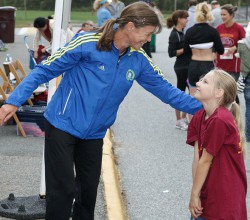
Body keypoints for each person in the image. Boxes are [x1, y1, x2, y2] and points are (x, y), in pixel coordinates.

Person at [0, 2, 202, 220]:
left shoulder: (139, 59)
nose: (148, 39)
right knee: (63, 192)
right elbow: (44, 70)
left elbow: (167, 91)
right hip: (62, 124)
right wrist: (14, 101)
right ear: (131, 26)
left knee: (87, 195)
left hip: (95, 133)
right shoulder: (88, 43)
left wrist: (206, 108)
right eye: (147, 34)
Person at [187, 69, 247, 220]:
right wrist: (197, 192)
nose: (197, 84)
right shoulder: (199, 116)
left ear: (219, 93)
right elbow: (197, 159)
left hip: (225, 196)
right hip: (207, 190)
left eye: (205, 81)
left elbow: (206, 160)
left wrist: (194, 194)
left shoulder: (220, 119)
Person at [184, 2, 224, 97]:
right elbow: (221, 50)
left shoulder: (189, 31)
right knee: (208, 96)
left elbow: (186, 52)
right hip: (207, 65)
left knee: (193, 95)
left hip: (193, 65)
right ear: (209, 13)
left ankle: (193, 112)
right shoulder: (213, 31)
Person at [215, 4, 246, 104]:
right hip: (220, 65)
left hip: (234, 65)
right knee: (222, 92)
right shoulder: (219, 28)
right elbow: (214, 44)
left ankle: (235, 114)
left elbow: (246, 44)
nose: (222, 17)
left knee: (231, 92)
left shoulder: (239, 28)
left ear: (231, 15)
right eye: (221, 14)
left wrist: (236, 47)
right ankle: (225, 116)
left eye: (225, 14)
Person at [167, 10, 190, 130]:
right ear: (179, 19)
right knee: (180, 92)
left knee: (190, 92)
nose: (187, 20)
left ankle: (184, 117)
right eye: (185, 18)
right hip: (181, 66)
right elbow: (171, 53)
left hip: (189, 65)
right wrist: (185, 49)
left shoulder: (183, 32)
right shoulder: (174, 34)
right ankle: (178, 120)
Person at [237, 22, 250, 142]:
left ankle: (249, 135)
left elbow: (238, 55)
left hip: (247, 77)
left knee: (249, 107)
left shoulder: (242, 45)